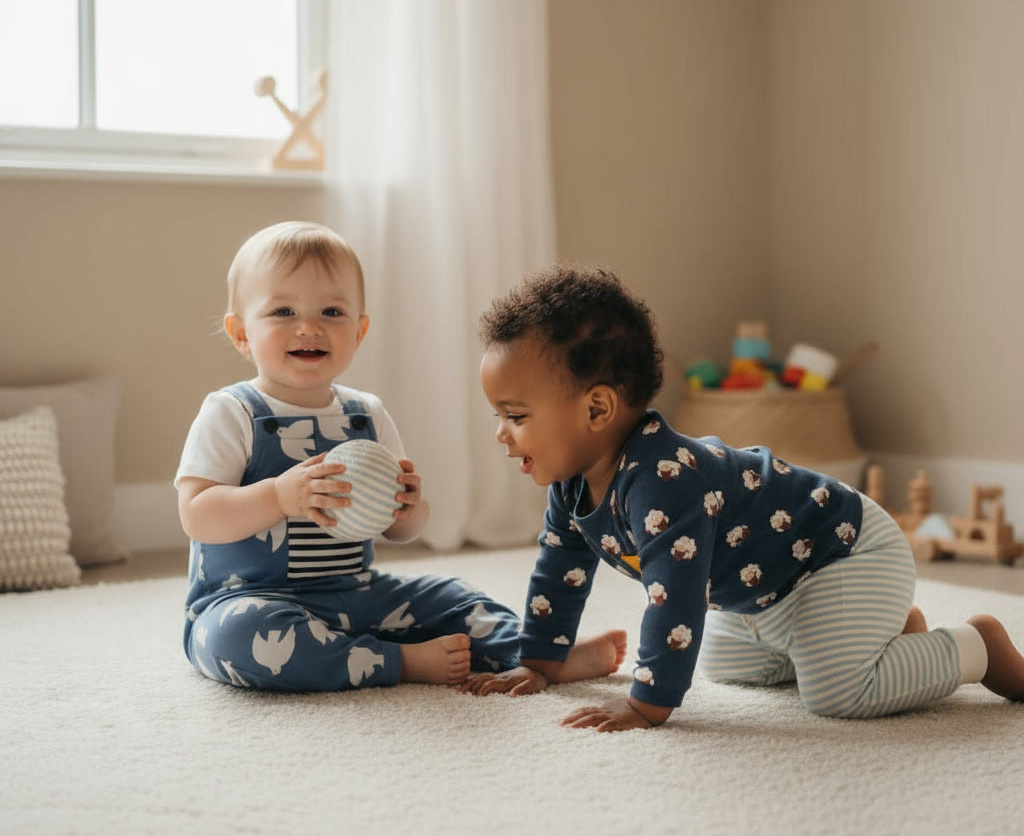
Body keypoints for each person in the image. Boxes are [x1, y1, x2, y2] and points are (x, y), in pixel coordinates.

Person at [463, 263, 1024, 730]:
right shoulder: (571, 483)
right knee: (721, 664)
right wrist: (536, 663)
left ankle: (978, 645)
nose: (501, 433)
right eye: (499, 417)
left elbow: (674, 600)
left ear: (596, 409)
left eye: (515, 416)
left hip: (844, 553)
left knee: (836, 694)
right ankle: (883, 633)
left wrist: (646, 703)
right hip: (769, 592)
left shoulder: (663, 482)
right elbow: (559, 570)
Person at [176, 220, 530, 692]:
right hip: (250, 598)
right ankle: (396, 662)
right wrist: (279, 496)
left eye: (332, 311)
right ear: (241, 333)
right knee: (237, 639)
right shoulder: (232, 412)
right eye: (283, 310)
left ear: (359, 332)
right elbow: (197, 516)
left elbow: (400, 530)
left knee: (455, 599)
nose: (309, 326)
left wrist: (408, 509)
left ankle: (537, 651)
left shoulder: (366, 414)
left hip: (355, 593)